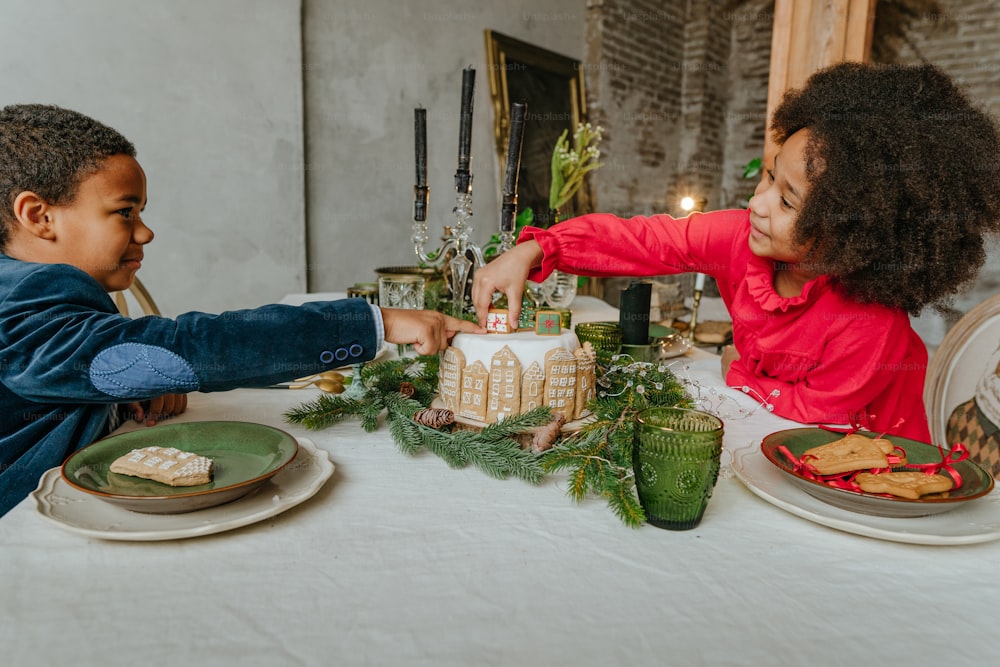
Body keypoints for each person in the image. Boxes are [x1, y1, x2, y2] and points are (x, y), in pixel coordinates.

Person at [474, 62, 1000, 443]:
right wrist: (538, 249)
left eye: (787, 200)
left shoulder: (872, 326)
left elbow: (812, 417)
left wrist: (736, 370)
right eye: (769, 175)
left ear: (850, 234)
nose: (759, 203)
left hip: (866, 467)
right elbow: (647, 240)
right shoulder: (739, 239)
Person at [0, 104, 482, 516]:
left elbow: (62, 372)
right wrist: (375, 321)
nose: (145, 232)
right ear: (39, 216)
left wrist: (121, 393)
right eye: (126, 211)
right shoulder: (30, 295)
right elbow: (188, 347)